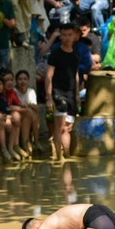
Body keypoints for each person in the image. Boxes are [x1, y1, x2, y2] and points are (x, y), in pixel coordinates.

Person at [45, 22, 80, 160]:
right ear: (60, 36)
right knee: (59, 126)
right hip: (58, 93)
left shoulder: (76, 53)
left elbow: (76, 74)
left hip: (71, 94)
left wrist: (77, 94)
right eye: (64, 35)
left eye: (69, 35)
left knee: (68, 128)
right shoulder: (55, 54)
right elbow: (48, 76)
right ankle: (59, 157)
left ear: (75, 36)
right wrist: (49, 97)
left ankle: (66, 154)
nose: (66, 38)